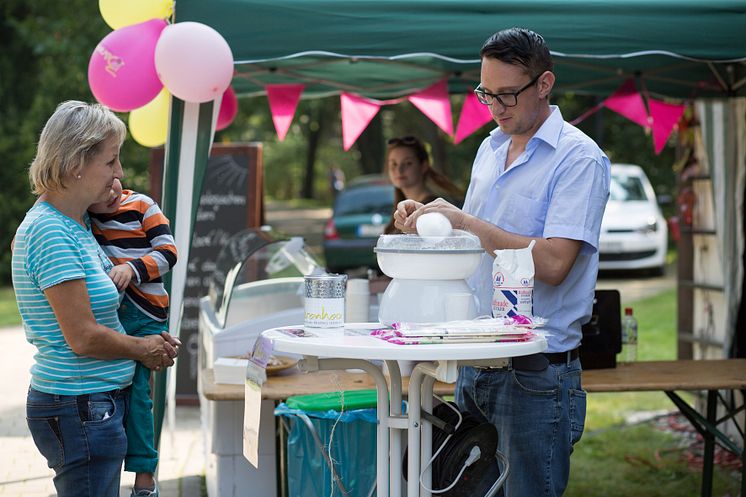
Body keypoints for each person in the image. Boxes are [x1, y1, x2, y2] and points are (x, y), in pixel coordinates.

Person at [394, 28, 610, 496]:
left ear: (545, 83)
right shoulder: (489, 148)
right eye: (486, 94)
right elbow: (481, 246)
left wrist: (465, 221)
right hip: (477, 361)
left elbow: (554, 264)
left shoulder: (579, 158)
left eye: (508, 94)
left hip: (536, 372)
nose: (496, 107)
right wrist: (434, 222)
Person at [11, 101, 180, 497]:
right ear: (76, 163)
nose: (120, 173)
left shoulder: (79, 224)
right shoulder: (51, 232)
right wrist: (144, 348)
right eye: (111, 161)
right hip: (79, 406)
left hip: (92, 405)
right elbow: (83, 337)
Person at [88, 178, 178, 497]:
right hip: (113, 315)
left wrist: (133, 269)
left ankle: (144, 476)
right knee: (113, 389)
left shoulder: (142, 206)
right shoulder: (86, 215)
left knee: (139, 393)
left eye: (114, 179)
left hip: (146, 314)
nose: (112, 190)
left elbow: (169, 252)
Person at [383, 135, 462, 234]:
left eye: (408, 163)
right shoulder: (399, 209)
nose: (399, 170)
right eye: (394, 164)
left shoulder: (433, 209)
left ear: (424, 166)